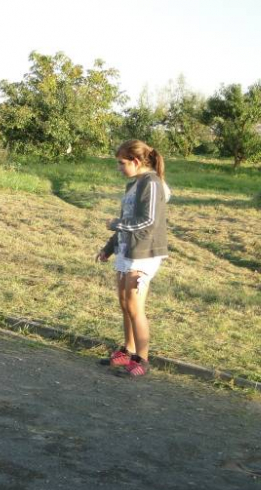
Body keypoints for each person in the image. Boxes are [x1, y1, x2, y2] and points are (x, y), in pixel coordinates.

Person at [96, 139, 171, 377]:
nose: (119, 168)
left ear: (136, 161)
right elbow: (127, 217)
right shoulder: (134, 184)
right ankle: (127, 351)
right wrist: (109, 247)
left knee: (135, 306)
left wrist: (115, 224)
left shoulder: (152, 183)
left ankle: (142, 359)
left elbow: (148, 221)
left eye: (122, 163)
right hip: (126, 250)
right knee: (124, 304)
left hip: (143, 253)